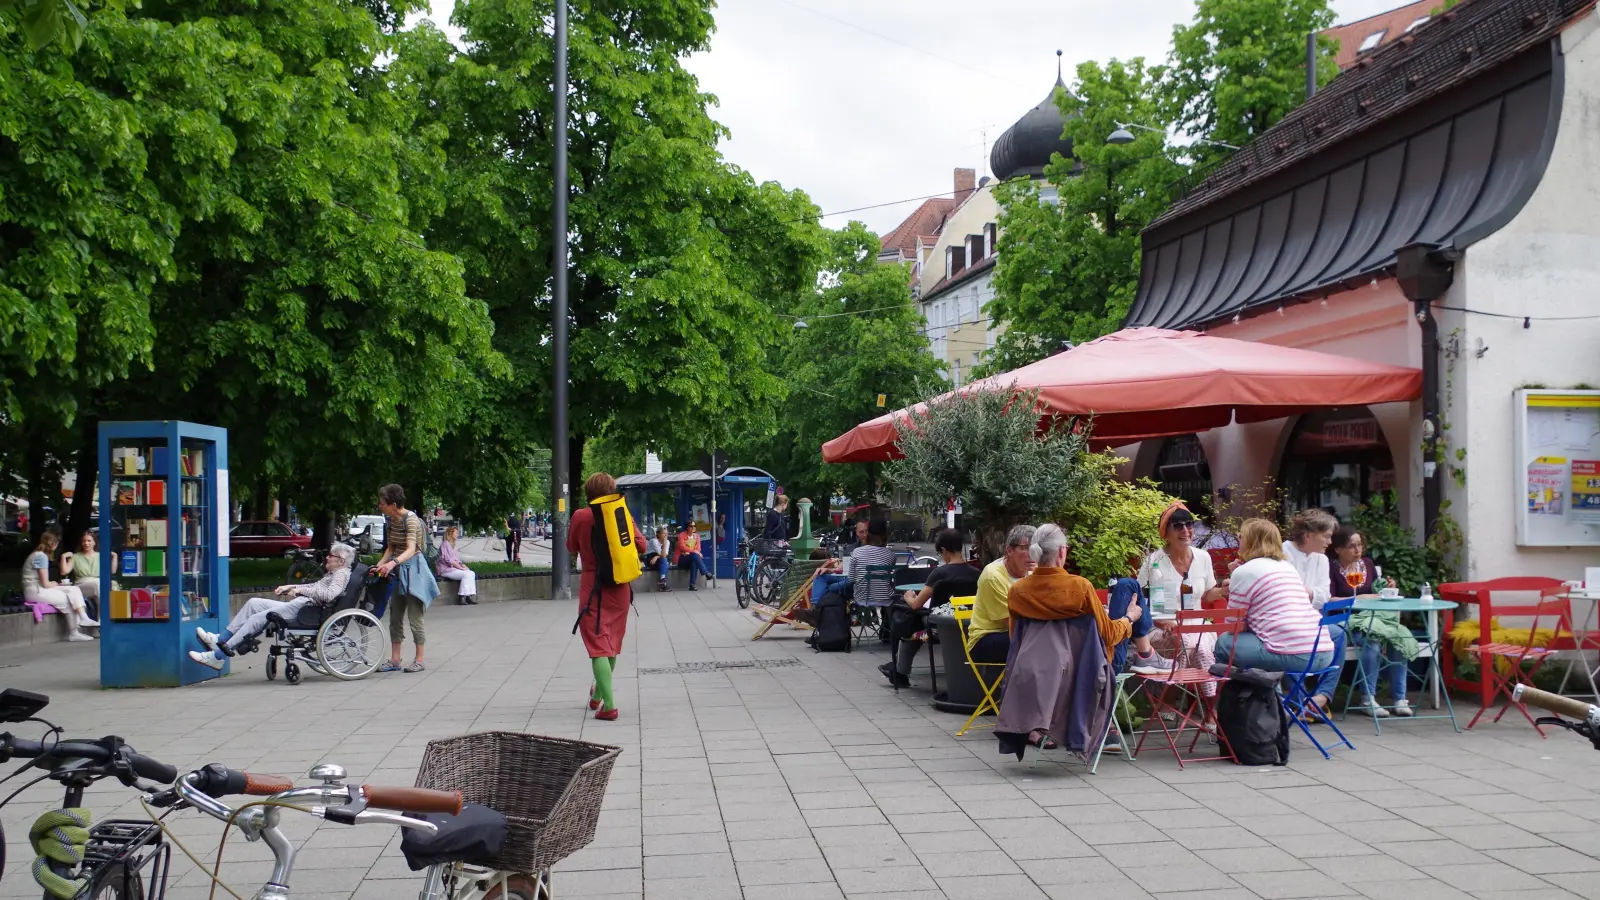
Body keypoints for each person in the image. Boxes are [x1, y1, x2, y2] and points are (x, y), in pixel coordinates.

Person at [1001, 524, 1141, 750]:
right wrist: (1130, 618)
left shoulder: (1018, 591)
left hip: (1033, 675)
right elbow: (1109, 635)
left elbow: (1015, 639)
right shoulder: (1079, 587)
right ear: (1062, 551)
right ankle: (1146, 654)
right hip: (1085, 674)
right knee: (1129, 596)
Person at [190, 543, 355, 669]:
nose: (327, 558)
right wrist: (291, 587)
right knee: (253, 603)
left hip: (306, 610)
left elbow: (328, 595)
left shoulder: (340, 575)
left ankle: (218, 657)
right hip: (302, 605)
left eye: (330, 556)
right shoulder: (335, 573)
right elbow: (315, 587)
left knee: (258, 618)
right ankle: (220, 639)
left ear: (341, 561)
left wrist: (298, 591)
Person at [1216, 519, 1342, 676]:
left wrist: (1235, 578)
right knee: (1266, 643)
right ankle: (1271, 697)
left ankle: (1226, 698)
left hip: (1297, 655)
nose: (1238, 540)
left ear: (1249, 541)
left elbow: (1233, 625)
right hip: (1324, 652)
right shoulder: (1287, 566)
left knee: (1224, 642)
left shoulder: (1244, 572)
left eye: (1240, 536)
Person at [568, 472, 643, 720]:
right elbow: (641, 546)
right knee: (610, 646)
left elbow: (571, 547)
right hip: (620, 586)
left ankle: (609, 706)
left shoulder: (580, 516)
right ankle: (598, 695)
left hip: (593, 588)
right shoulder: (622, 514)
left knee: (598, 647)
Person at [1328, 527, 1414, 718]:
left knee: (1398, 637)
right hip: (1345, 618)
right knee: (1371, 641)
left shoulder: (1367, 563)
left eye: (1359, 545)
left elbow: (1377, 589)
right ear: (1338, 549)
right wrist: (1361, 597)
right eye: (1351, 546)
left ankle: (1400, 698)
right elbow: (1328, 600)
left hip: (1372, 617)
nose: (1357, 550)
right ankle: (1368, 698)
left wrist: (1387, 587)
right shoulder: (1331, 568)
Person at [1135, 502, 1228, 676]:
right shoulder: (1153, 562)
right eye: (1177, 526)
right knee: (1183, 642)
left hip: (1197, 628)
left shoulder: (1203, 557)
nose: (1185, 530)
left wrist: (1223, 591)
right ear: (1166, 533)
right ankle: (1174, 696)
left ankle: (1207, 699)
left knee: (1199, 647)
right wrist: (1162, 622)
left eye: (1189, 524)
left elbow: (1207, 595)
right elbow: (1140, 602)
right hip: (1163, 627)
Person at [879, 528, 979, 687]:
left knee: (911, 623)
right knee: (917, 622)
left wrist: (909, 597)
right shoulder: (976, 574)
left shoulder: (939, 573)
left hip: (939, 628)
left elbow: (917, 604)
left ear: (945, 551)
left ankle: (899, 673)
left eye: (941, 554)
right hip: (969, 625)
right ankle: (897, 669)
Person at [1283, 508, 1342, 719]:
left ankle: (1321, 697)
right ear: (1308, 535)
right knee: (1293, 640)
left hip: (1312, 620)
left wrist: (1306, 592)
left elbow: (1324, 596)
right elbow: (1286, 594)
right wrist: (1311, 594)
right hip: (1286, 622)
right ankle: (1301, 701)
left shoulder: (1322, 559)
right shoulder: (1282, 554)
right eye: (1326, 536)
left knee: (1338, 632)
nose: (1329, 542)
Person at [374, 484, 438, 673]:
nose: (379, 505)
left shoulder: (411, 521)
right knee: (395, 616)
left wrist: (392, 564)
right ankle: (395, 660)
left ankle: (419, 659)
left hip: (414, 570)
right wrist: (379, 565)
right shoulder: (391, 520)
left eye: (382, 503)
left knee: (415, 617)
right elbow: (391, 548)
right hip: (398, 571)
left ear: (393, 504)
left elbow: (411, 549)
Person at [966, 525, 1037, 664]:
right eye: (1025, 548)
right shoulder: (992, 576)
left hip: (1021, 631)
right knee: (1040, 642)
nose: (1032, 554)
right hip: (986, 639)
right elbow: (1012, 624)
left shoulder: (1034, 571)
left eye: (1035, 548)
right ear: (1009, 550)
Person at [23, 532, 97, 641]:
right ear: (54, 544)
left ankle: (84, 617)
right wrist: (55, 584)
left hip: (37, 589)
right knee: (66, 599)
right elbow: (45, 583)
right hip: (35, 591)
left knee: (74, 589)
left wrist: (56, 585)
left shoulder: (37, 554)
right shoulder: (41, 557)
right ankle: (74, 632)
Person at [61, 530, 112, 622]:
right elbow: (64, 572)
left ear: (94, 542)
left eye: (89, 541)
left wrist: (115, 557)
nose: (86, 543)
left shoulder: (100, 556)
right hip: (81, 585)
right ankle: (102, 621)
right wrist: (63, 557)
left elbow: (112, 571)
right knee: (99, 584)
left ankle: (101, 620)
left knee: (101, 586)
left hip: (98, 584)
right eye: (84, 541)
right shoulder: (76, 557)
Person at [436, 526, 477, 605]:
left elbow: (457, 560)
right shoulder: (445, 544)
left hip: (453, 569)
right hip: (445, 570)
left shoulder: (453, 545)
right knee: (466, 574)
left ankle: (468, 596)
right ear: (450, 534)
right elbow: (450, 561)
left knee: (471, 573)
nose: (457, 534)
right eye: (456, 533)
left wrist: (463, 565)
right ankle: (462, 596)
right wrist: (461, 568)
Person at [672, 522, 713, 591]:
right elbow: (682, 547)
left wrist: (692, 552)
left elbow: (698, 548)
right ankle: (705, 572)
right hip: (682, 558)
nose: (693, 528)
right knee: (695, 556)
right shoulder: (682, 535)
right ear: (687, 527)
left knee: (694, 561)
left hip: (691, 557)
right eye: (691, 526)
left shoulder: (697, 536)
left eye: (694, 526)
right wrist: (693, 551)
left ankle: (692, 585)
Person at [643, 526, 672, 591]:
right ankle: (663, 583)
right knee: (665, 562)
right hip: (649, 558)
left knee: (665, 561)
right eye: (664, 533)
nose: (666, 535)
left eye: (667, 533)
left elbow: (664, 555)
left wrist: (656, 557)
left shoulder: (667, 542)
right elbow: (663, 555)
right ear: (658, 534)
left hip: (658, 558)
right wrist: (664, 545)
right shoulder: (654, 541)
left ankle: (663, 581)